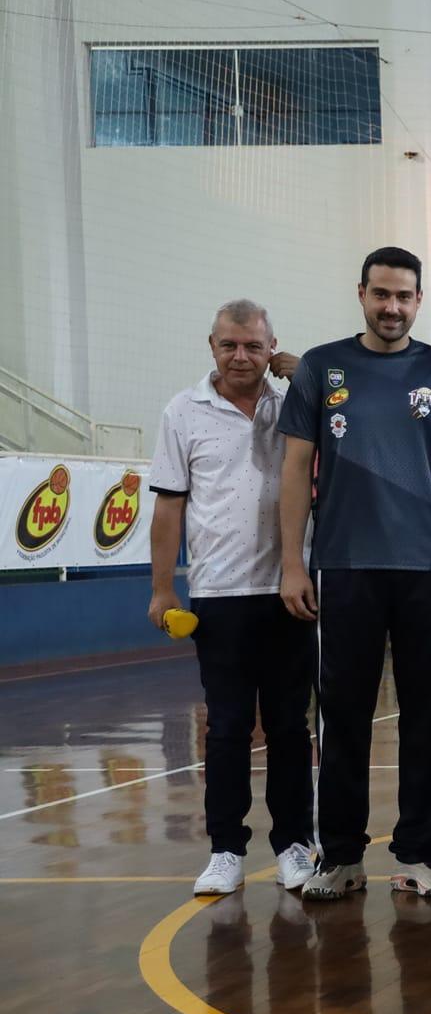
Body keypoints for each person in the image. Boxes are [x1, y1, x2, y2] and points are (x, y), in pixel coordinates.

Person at [279, 246, 431, 899]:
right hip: (344, 564)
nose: (392, 306)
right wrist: (293, 559)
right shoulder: (321, 366)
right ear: (362, 293)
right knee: (341, 714)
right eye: (381, 294)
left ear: (419, 300)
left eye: (404, 295)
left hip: (429, 567)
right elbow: (293, 470)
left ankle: (422, 852)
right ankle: (339, 855)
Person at [147, 299, 315, 895]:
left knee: (292, 727)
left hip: (291, 591)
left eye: (253, 346)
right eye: (229, 345)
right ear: (211, 346)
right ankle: (225, 849)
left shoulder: (298, 402)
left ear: (273, 347)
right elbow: (169, 505)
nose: (241, 356)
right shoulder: (182, 412)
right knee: (226, 729)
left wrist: (310, 377)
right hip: (217, 595)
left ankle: (296, 842)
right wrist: (163, 587)